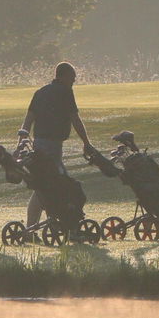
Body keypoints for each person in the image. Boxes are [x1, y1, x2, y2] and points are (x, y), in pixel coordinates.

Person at [20, 62, 95, 229]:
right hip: (52, 146)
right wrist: (86, 143)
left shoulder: (40, 92)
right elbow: (75, 119)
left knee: (43, 185)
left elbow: (29, 119)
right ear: (64, 76)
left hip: (39, 143)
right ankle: (58, 222)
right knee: (60, 184)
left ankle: (32, 226)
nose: (74, 81)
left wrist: (22, 140)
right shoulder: (65, 92)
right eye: (72, 78)